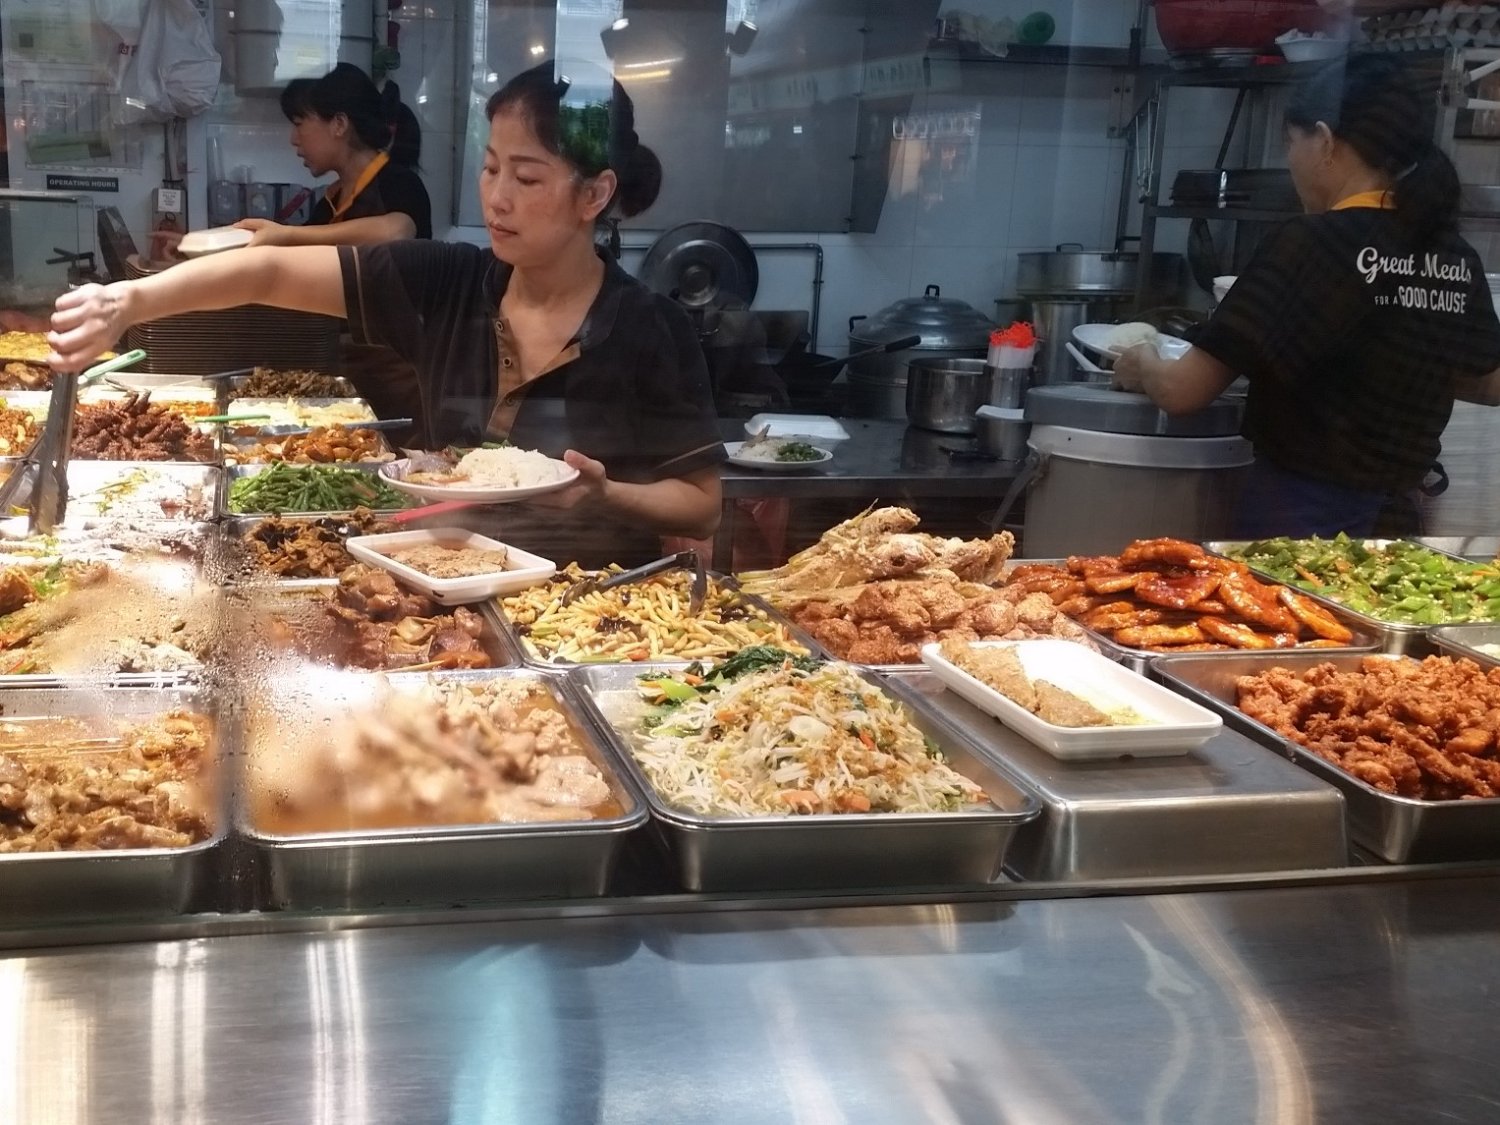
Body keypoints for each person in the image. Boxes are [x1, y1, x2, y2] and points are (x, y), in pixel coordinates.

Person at [48, 59, 723, 565]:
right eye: (490, 169)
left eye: (527, 177)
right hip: (444, 588)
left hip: (585, 613)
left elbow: (701, 506)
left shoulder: (650, 327)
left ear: (595, 193)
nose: (498, 198)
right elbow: (268, 267)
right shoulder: (448, 281)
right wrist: (132, 298)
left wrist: (604, 493)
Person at [1113, 54, 1500, 538]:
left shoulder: (1310, 243)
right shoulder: (1452, 251)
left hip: (1299, 522)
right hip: (1400, 523)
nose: (1290, 160)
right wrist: (1395, 357)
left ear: (1325, 140)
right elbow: (1489, 384)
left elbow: (1181, 392)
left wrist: (1142, 360)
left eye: (1290, 143)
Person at [236, 63, 431, 246]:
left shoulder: (400, 183)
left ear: (339, 125)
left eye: (298, 124)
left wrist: (288, 234)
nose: (293, 139)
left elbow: (396, 231)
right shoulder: (331, 202)